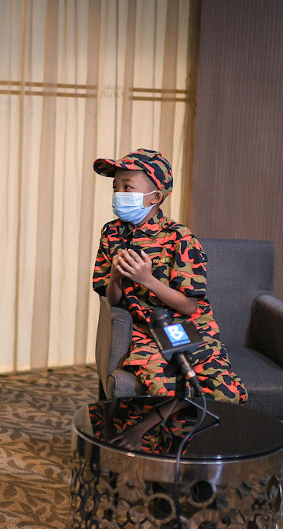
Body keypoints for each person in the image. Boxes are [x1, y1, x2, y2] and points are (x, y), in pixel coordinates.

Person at [92, 148, 246, 404]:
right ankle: (163, 442)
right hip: (145, 332)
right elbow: (113, 301)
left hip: (187, 328)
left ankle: (211, 442)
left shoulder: (180, 237)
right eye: (115, 187)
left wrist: (146, 279)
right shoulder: (111, 234)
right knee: (163, 394)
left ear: (155, 197)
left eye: (127, 187)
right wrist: (116, 277)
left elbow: (188, 305)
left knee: (226, 395)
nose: (119, 194)